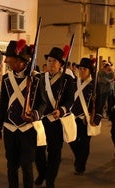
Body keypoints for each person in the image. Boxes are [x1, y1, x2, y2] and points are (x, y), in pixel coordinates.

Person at [0, 40, 47, 188]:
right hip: (10, 129)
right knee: (11, 167)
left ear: (18, 60)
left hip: (27, 129)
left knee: (27, 168)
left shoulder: (37, 78)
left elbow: (43, 102)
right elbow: (3, 104)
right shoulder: (6, 79)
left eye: (8, 58)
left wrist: (35, 114)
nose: (5, 60)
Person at [34, 47, 75, 188]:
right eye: (49, 60)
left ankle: (50, 180)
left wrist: (62, 110)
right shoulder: (40, 78)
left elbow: (70, 100)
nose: (51, 63)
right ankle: (42, 173)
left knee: (54, 153)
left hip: (57, 122)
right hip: (42, 120)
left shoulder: (68, 79)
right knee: (38, 152)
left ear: (60, 64)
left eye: (54, 61)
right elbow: (37, 99)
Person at [69, 58, 103, 175]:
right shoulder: (74, 82)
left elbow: (99, 103)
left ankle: (80, 166)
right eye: (80, 69)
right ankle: (79, 158)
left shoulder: (94, 85)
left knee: (84, 143)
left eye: (85, 69)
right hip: (73, 117)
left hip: (86, 119)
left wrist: (96, 117)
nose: (82, 71)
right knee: (71, 140)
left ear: (90, 71)